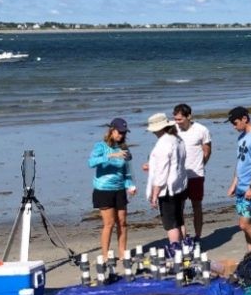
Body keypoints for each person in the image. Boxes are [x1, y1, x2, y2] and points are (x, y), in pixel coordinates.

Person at [88, 118, 137, 260]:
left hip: (120, 189)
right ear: (112, 130)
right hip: (103, 190)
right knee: (109, 223)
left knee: (122, 222)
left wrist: (130, 186)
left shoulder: (124, 148)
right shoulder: (100, 146)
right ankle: (105, 254)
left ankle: (122, 253)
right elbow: (91, 162)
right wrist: (110, 155)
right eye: (119, 132)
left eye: (123, 133)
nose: (121, 135)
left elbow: (127, 170)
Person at [225, 106, 251, 252]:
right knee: (248, 222)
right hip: (241, 186)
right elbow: (240, 162)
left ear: (244, 119)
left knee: (244, 224)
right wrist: (233, 183)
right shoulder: (241, 137)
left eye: (235, 122)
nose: (234, 126)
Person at [144, 112, 188, 249]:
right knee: (179, 220)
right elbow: (174, 163)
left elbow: (162, 172)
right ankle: (184, 247)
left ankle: (175, 250)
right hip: (180, 185)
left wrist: (155, 194)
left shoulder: (163, 143)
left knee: (170, 224)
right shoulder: (177, 139)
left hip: (168, 189)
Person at [173, 103, 211, 241]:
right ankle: (183, 236)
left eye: (180, 119)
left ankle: (198, 236)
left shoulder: (201, 130)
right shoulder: (173, 129)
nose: (177, 122)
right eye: (175, 119)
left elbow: (207, 150)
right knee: (179, 206)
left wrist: (201, 165)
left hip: (196, 174)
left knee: (197, 205)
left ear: (189, 116)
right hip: (179, 175)